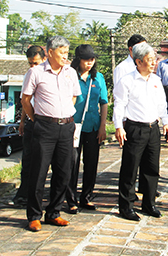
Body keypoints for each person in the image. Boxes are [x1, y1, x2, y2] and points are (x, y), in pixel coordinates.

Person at [21, 36, 81, 232]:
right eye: (62, 52)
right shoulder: (35, 72)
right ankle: (34, 215)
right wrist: (36, 119)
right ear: (50, 52)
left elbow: (74, 96)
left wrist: (63, 115)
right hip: (44, 127)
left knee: (64, 172)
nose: (65, 56)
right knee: (38, 172)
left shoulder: (71, 72)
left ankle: (54, 212)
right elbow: (26, 100)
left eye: (67, 52)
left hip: (66, 127)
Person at [113, 42, 168, 221]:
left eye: (154, 59)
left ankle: (149, 203)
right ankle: (126, 206)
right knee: (130, 169)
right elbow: (119, 104)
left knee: (152, 168)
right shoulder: (127, 80)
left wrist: (166, 123)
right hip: (134, 128)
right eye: (149, 60)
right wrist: (118, 127)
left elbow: (162, 104)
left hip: (153, 128)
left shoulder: (155, 80)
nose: (153, 63)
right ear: (138, 62)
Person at [65, 44, 108, 214]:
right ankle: (71, 199)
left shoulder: (98, 78)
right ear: (78, 60)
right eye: (86, 59)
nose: (89, 63)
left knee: (91, 163)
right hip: (73, 127)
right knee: (72, 164)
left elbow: (103, 102)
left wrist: (103, 126)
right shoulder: (69, 76)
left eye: (92, 59)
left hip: (93, 126)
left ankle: (87, 197)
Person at [12, 45, 47, 207]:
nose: (33, 66)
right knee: (28, 160)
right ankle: (23, 194)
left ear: (44, 59)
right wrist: (23, 122)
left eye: (36, 63)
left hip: (47, 122)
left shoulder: (51, 75)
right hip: (32, 122)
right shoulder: (29, 75)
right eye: (30, 63)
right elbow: (25, 101)